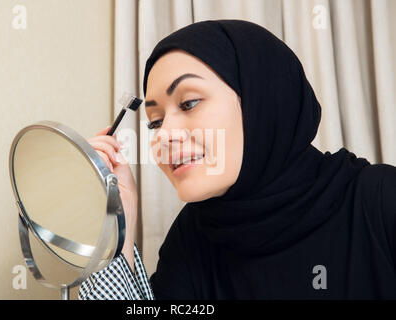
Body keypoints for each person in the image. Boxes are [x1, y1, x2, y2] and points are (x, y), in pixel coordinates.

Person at [79, 19, 396, 300]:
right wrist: (117, 223)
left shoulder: (379, 200)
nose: (163, 135)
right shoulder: (193, 238)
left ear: (261, 102)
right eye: (155, 122)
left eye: (188, 103)